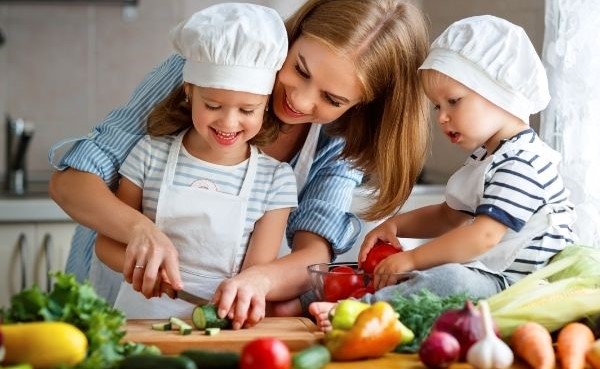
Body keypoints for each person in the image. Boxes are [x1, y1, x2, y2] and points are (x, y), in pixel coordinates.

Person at [48, 0, 430, 328]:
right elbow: (70, 183)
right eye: (300, 69)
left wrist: (259, 282)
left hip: (216, 313)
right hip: (114, 293)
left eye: (331, 99)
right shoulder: (213, 61)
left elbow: (314, 251)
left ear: (359, 106)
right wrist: (140, 232)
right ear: (294, 36)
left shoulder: (339, 136)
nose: (299, 100)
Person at [310, 15, 577, 330]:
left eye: (453, 101)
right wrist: (395, 224)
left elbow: (484, 236)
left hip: (526, 290)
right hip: (495, 277)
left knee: (450, 277)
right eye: (438, 106)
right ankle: (368, 306)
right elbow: (449, 216)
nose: (442, 117)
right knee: (437, 274)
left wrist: (412, 258)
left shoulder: (523, 162)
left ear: (500, 93)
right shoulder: (488, 157)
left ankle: (360, 312)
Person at [92, 3, 297, 319]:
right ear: (189, 91)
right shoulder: (150, 153)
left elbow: (254, 277)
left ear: (266, 104)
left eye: (247, 110)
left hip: (221, 323)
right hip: (139, 316)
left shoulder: (275, 180)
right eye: (213, 105)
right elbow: (106, 245)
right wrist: (145, 273)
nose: (229, 123)